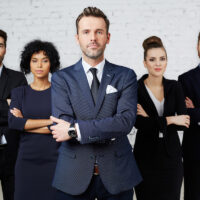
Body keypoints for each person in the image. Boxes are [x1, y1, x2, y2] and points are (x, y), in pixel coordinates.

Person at [50, 6, 142, 200]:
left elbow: (125, 122)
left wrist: (75, 130)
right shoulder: (61, 79)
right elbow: (61, 125)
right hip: (72, 175)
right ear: (78, 38)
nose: (93, 37)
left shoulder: (125, 76)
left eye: (99, 32)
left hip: (117, 175)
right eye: (86, 32)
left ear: (107, 37)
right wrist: (108, 127)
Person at [134, 36, 190, 200]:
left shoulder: (175, 86)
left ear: (166, 61)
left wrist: (151, 120)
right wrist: (171, 119)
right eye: (152, 59)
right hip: (144, 159)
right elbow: (138, 123)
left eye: (162, 59)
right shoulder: (136, 89)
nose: (158, 64)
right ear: (145, 63)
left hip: (171, 159)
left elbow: (184, 123)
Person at [8, 40, 60, 200]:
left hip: (55, 160)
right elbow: (14, 123)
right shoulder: (19, 92)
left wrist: (26, 123)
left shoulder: (60, 92)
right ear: (28, 63)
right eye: (34, 60)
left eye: (45, 60)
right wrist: (49, 122)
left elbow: (64, 126)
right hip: (26, 161)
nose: (39, 65)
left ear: (51, 63)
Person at [0, 29, 27, 200]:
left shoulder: (18, 78)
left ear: (5, 49)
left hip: (11, 151)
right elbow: (10, 113)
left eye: (0, 45)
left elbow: (21, 114)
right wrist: (6, 105)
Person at [178, 32, 200, 200]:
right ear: (197, 47)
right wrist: (192, 113)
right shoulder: (185, 79)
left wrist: (196, 111)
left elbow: (193, 114)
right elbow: (184, 116)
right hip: (195, 152)